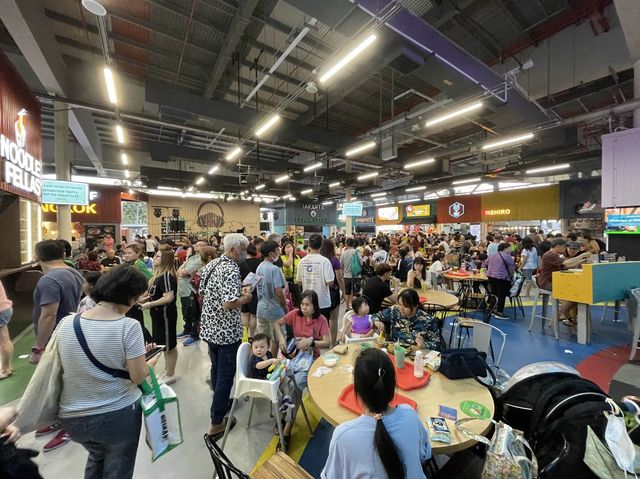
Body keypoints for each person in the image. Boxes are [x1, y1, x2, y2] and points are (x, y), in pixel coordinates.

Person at [56, 265, 160, 479]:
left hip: (72, 415)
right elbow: (138, 376)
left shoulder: (68, 322)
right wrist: (150, 363)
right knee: (118, 468)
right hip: (115, 413)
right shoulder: (128, 326)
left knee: (96, 457)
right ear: (129, 296)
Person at [322, 348, 431, 479]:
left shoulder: (343, 436)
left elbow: (331, 476)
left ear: (357, 390)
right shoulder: (410, 414)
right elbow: (424, 454)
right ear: (393, 385)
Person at [29, 240, 84, 452]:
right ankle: (62, 420)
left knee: (65, 382)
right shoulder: (73, 272)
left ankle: (71, 426)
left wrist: (39, 347)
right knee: (61, 381)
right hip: (69, 333)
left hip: (55, 338)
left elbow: (48, 314)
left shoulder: (49, 280)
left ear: (37, 255)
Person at [199, 234, 252, 439]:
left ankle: (218, 403)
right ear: (232, 250)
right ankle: (217, 422)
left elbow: (204, 291)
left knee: (216, 368)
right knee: (225, 375)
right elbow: (228, 303)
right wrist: (245, 297)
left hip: (210, 328)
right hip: (226, 332)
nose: (245, 252)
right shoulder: (230, 269)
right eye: (243, 249)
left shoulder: (213, 264)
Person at [273, 290, 330, 443]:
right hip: (293, 357)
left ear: (314, 306)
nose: (303, 308)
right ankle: (285, 413)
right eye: (302, 304)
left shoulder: (322, 320)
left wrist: (311, 342)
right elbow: (277, 324)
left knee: (297, 385)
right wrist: (281, 339)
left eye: (307, 305)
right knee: (281, 381)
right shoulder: (295, 314)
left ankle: (288, 425)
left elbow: (327, 342)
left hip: (311, 359)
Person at [139, 249, 179, 385]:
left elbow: (168, 297)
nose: (155, 257)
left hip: (166, 315)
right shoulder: (158, 277)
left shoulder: (167, 276)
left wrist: (150, 303)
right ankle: (168, 370)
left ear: (166, 259)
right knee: (164, 344)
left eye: (158, 256)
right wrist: (146, 299)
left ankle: (170, 373)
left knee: (169, 345)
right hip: (158, 316)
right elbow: (157, 294)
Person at [537, 238, 591, 326]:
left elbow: (567, 265)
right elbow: (567, 262)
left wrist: (582, 261)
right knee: (574, 293)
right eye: (564, 247)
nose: (565, 249)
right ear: (558, 246)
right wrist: (582, 255)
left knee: (578, 294)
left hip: (553, 281)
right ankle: (561, 313)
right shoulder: (550, 255)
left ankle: (564, 313)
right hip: (547, 283)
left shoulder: (554, 255)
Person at [373, 289, 442, 350]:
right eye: (399, 304)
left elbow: (437, 344)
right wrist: (376, 321)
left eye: (405, 306)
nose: (401, 308)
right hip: (395, 349)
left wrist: (424, 345)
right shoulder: (394, 310)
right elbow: (376, 315)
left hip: (415, 353)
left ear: (416, 305)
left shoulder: (427, 320)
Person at [255, 240, 287, 349]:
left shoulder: (259, 266)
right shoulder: (274, 269)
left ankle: (265, 360)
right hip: (274, 310)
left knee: (263, 340)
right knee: (276, 340)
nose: (279, 253)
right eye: (277, 250)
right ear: (271, 253)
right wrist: (285, 304)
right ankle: (272, 362)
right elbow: (279, 291)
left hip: (261, 309)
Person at [296, 234, 335, 320]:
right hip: (322, 302)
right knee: (322, 329)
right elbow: (330, 282)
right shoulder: (325, 261)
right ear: (321, 245)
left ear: (309, 244)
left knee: (308, 328)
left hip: (306, 302)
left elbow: (299, 281)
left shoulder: (302, 261)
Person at [121, 244, 153, 343]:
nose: (126, 255)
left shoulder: (139, 263)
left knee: (136, 322)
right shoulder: (129, 263)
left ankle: (149, 342)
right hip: (127, 297)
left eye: (130, 253)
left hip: (134, 298)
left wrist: (143, 293)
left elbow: (151, 278)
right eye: (125, 253)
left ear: (138, 253)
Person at [177, 241, 206, 346]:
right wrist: (182, 272)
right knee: (185, 311)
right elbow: (180, 270)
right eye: (195, 244)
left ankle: (195, 334)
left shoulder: (200, 260)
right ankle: (187, 330)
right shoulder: (191, 258)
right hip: (183, 289)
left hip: (191, 290)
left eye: (198, 245)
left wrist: (183, 272)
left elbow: (184, 272)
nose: (195, 246)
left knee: (193, 312)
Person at [320, 239, 345, 347]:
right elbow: (339, 278)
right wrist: (343, 291)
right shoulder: (334, 260)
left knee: (321, 319)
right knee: (333, 319)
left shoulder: (320, 260)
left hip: (321, 291)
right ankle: (333, 343)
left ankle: (322, 342)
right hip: (333, 291)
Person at [486, 243, 516, 319]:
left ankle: (492, 309)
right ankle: (499, 312)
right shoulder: (508, 257)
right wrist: (511, 276)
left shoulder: (492, 255)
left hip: (491, 276)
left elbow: (486, 263)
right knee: (501, 295)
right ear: (505, 248)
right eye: (510, 248)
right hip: (502, 277)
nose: (511, 249)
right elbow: (511, 269)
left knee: (494, 293)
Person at [239, 243, 262, 339]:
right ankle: (251, 336)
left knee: (245, 314)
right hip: (255, 292)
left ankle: (244, 336)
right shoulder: (259, 262)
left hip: (243, 291)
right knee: (253, 316)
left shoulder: (241, 263)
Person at [340, 238, 362, 310]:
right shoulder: (357, 252)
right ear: (354, 244)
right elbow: (361, 263)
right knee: (356, 293)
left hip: (346, 276)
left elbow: (341, 265)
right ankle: (355, 308)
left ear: (346, 244)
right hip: (356, 276)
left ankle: (347, 307)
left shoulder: (343, 253)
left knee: (347, 293)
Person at [280, 241, 301, 308]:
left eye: (290, 247)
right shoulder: (282, 257)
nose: (289, 249)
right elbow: (288, 264)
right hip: (286, 283)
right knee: (287, 301)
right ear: (284, 249)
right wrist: (290, 254)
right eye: (287, 247)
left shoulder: (297, 257)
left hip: (295, 282)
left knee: (298, 301)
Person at [0, 280, 13, 380]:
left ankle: (4, 370)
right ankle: (8, 366)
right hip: (4, 308)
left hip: (1, 310)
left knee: (3, 342)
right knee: (6, 340)